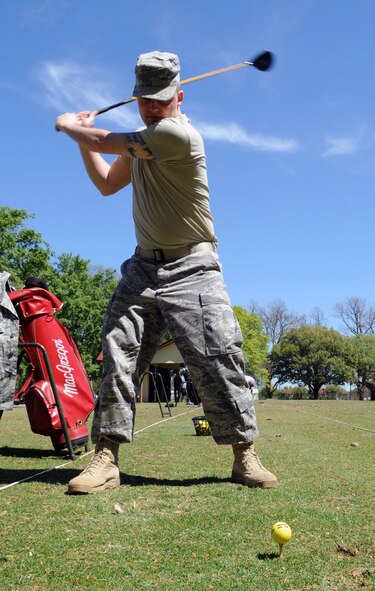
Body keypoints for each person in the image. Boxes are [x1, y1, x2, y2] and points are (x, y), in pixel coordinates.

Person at [56, 51, 278, 494]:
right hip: (143, 266)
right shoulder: (140, 144)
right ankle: (106, 458)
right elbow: (105, 183)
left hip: (194, 266)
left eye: (160, 99)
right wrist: (83, 140)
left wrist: (70, 125)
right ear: (136, 97)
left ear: (179, 96)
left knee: (218, 359)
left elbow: (102, 140)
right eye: (145, 100)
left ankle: (244, 454)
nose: (153, 107)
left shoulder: (179, 135)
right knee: (118, 354)